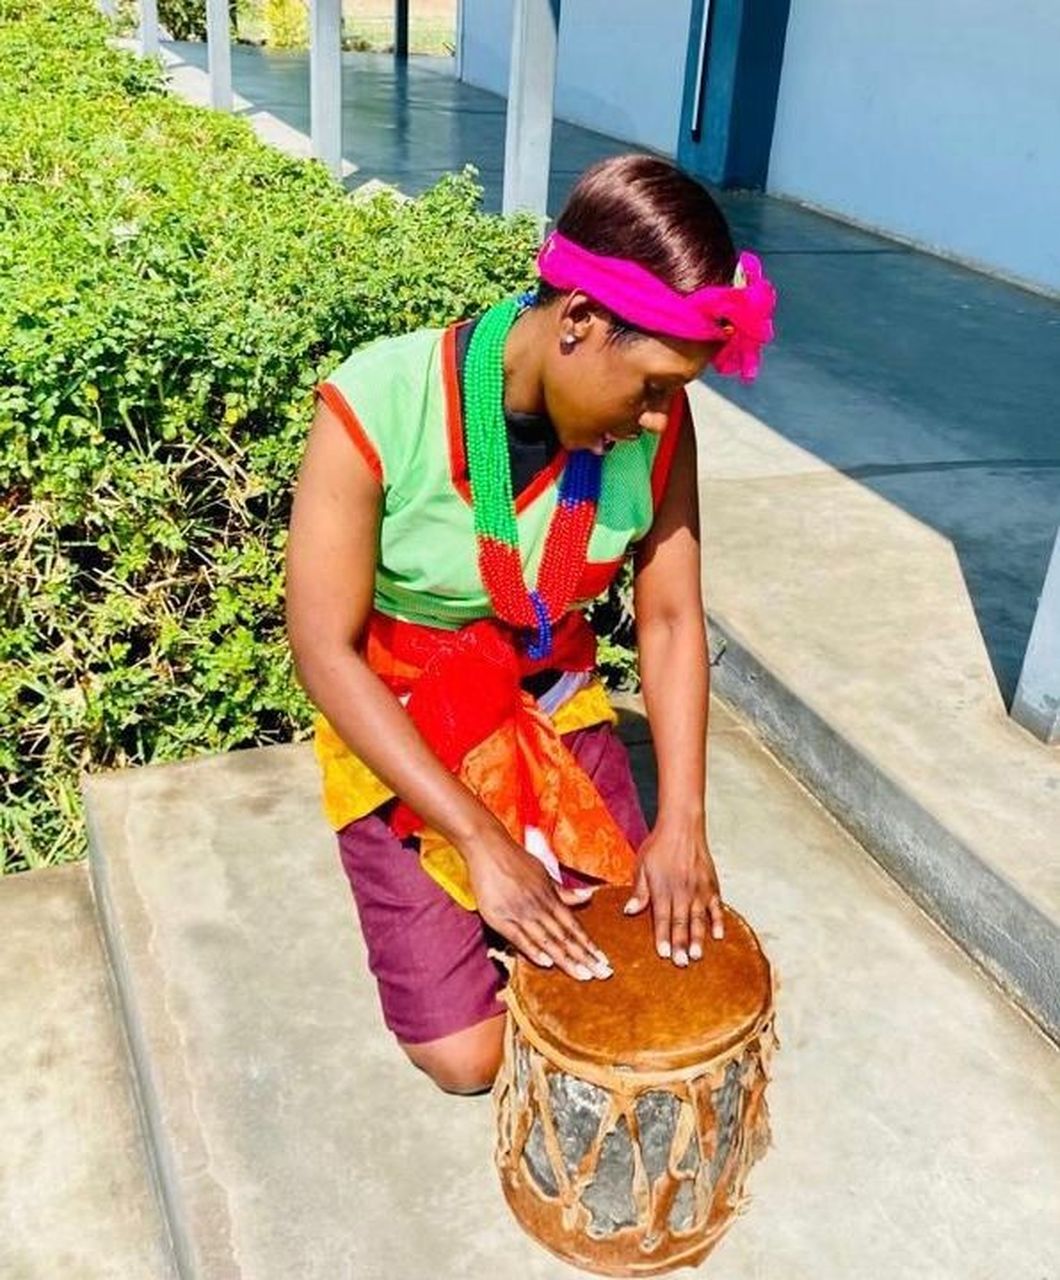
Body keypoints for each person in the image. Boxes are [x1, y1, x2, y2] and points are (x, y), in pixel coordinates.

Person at [285, 153, 776, 1097]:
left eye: (676, 393)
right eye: (653, 387)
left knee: (641, 974)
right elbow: (323, 648)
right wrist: (478, 839)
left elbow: (670, 621)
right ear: (581, 324)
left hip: (551, 698)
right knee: (468, 1059)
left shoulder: (659, 430)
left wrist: (683, 822)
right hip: (405, 706)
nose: (656, 418)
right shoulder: (381, 399)